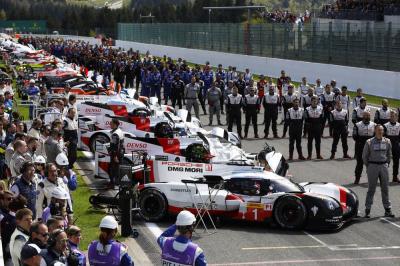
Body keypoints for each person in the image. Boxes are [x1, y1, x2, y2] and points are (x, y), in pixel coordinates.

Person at [363, 125, 394, 218]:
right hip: (373, 166)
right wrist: (369, 166)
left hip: (383, 166)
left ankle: (387, 210)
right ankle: (367, 210)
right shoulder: (369, 142)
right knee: (371, 189)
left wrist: (387, 163)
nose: (380, 131)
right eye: (379, 130)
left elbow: (389, 154)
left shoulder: (387, 141)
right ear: (375, 131)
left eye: (382, 130)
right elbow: (364, 156)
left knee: (385, 188)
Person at [353, 112, 376, 184]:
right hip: (360, 146)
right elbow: (354, 136)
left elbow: (376, 136)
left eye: (369, 115)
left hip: (371, 147)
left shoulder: (374, 125)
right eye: (366, 115)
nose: (367, 117)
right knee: (359, 163)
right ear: (363, 116)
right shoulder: (357, 125)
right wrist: (362, 141)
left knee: (371, 164)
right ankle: (357, 178)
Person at [108, 118, 124, 189]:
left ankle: (112, 184)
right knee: (117, 169)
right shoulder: (120, 131)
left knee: (112, 169)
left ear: (114, 124)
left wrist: (115, 156)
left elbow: (115, 146)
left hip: (116, 154)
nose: (109, 124)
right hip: (120, 153)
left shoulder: (115, 134)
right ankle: (117, 183)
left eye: (111, 123)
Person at [384, 111, 400, 182]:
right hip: (387, 146)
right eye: (391, 116)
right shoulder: (385, 125)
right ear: (389, 117)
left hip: (396, 145)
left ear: (397, 117)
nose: (393, 118)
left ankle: (395, 176)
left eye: (394, 116)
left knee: (396, 162)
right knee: (386, 162)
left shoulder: (399, 125)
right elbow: (383, 136)